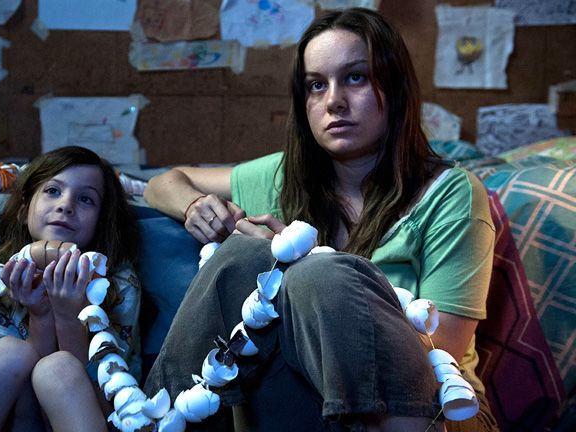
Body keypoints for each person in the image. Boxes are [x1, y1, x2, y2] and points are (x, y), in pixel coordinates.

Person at [143, 7, 498, 432]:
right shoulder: (282, 177)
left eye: (356, 77)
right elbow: (162, 183)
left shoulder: (451, 193)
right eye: (316, 85)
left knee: (316, 275)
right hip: (308, 400)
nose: (334, 101)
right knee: (243, 256)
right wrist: (195, 206)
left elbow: (445, 348)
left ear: (395, 86)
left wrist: (310, 269)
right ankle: (155, 419)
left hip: (431, 405)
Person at [0, 146, 140, 432]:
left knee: (58, 368)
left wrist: (69, 316)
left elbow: (103, 396)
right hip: (23, 420)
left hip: (97, 415)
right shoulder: (3, 280)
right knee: (8, 353)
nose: (66, 205)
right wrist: (40, 314)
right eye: (52, 191)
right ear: (24, 211)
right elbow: (21, 388)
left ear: (101, 222)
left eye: (85, 199)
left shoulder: (117, 283)